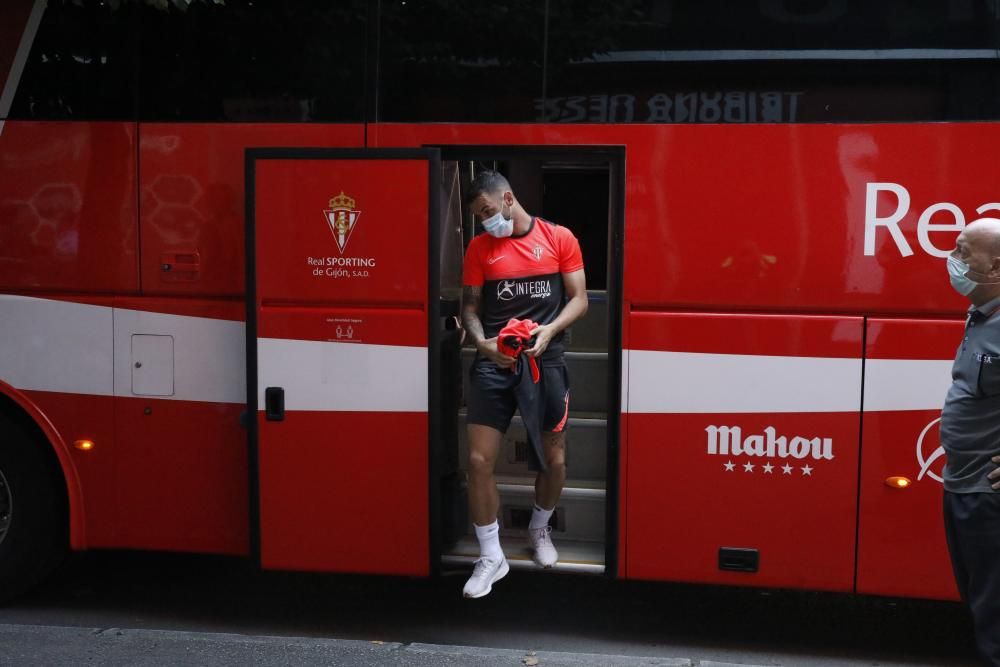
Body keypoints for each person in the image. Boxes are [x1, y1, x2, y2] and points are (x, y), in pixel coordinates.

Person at [460, 170, 587, 598]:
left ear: (509, 199)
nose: (486, 222)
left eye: (489, 211)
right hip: (494, 362)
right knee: (478, 461)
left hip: (545, 361)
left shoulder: (558, 237)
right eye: (479, 216)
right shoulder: (479, 248)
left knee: (554, 461)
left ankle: (538, 530)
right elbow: (471, 306)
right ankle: (490, 556)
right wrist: (481, 342)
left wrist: (550, 331)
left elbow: (580, 299)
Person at [942, 219, 1000, 666]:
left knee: (995, 615)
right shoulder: (982, 315)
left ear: (995, 267)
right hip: (964, 486)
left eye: (964, 252)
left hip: (989, 496)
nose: (953, 260)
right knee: (980, 605)